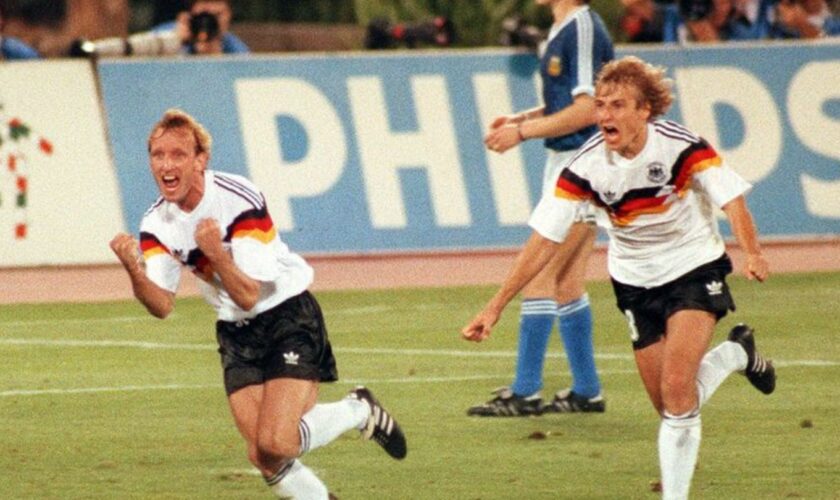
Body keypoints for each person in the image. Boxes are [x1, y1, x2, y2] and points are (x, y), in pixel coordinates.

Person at [462, 56, 776, 499]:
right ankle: (736, 355)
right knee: (670, 406)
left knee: (677, 389)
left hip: (692, 267)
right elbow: (543, 240)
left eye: (618, 105)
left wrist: (754, 252)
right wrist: (494, 307)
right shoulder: (586, 166)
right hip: (633, 281)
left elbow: (733, 201)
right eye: (602, 105)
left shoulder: (681, 146)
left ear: (645, 110)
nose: (605, 115)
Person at [110, 109, 406, 498]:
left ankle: (358, 410)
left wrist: (216, 255)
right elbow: (162, 305)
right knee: (263, 455)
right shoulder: (156, 223)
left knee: (279, 443)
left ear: (201, 160)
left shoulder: (237, 199)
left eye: (178, 154)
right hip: (235, 331)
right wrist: (134, 270)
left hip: (286, 316)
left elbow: (250, 293)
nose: (166, 165)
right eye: (157, 155)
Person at [468, 0, 614, 417]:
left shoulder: (582, 28)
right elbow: (572, 102)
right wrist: (523, 117)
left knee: (542, 270)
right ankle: (587, 390)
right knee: (567, 280)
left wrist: (523, 132)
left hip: (580, 161)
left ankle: (526, 391)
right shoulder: (564, 27)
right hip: (572, 159)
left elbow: (589, 109)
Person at [153, 0, 249, 55]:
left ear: (229, 16)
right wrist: (174, 42)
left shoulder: (235, 49)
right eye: (204, 15)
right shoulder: (166, 33)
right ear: (191, 13)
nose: (208, 22)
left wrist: (216, 60)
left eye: (216, 15)